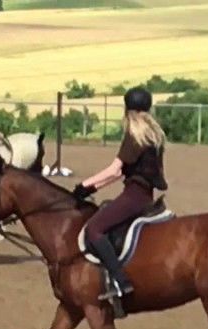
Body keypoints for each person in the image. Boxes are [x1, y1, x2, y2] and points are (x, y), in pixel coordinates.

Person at [70, 86, 168, 301]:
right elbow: (119, 173)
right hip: (145, 195)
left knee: (94, 228)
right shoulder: (154, 135)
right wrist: (92, 188)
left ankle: (120, 280)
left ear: (128, 110)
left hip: (134, 197)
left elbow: (114, 170)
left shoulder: (135, 135)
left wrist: (83, 185)